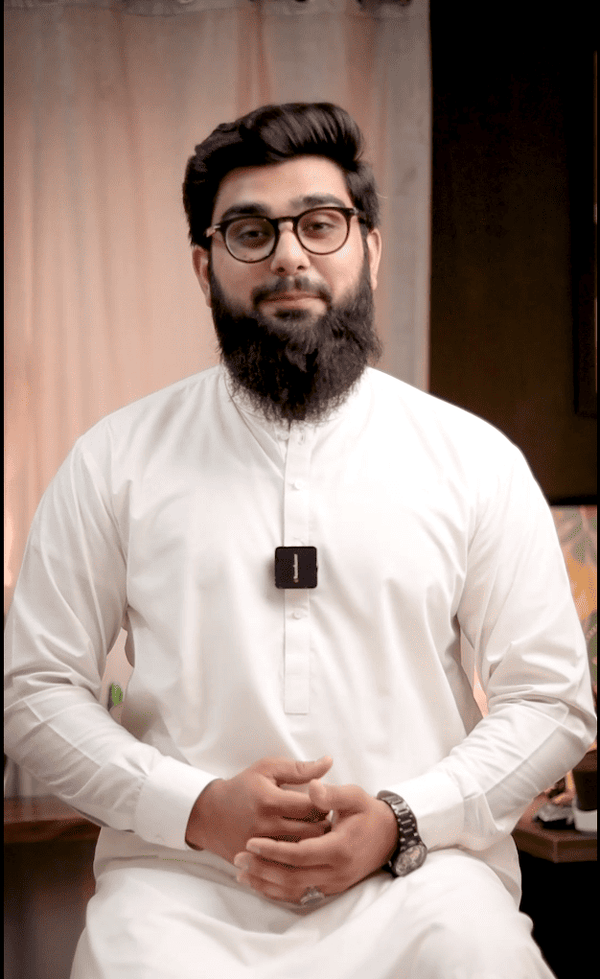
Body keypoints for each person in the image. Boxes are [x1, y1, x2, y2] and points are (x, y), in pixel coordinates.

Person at [4, 103, 595, 979]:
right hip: (179, 886)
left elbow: (551, 699)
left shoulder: (474, 460)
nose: (289, 255)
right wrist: (196, 805)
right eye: (251, 232)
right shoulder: (112, 461)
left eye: (320, 224)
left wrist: (402, 818)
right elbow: (34, 691)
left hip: (421, 879)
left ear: (371, 249)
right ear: (204, 265)